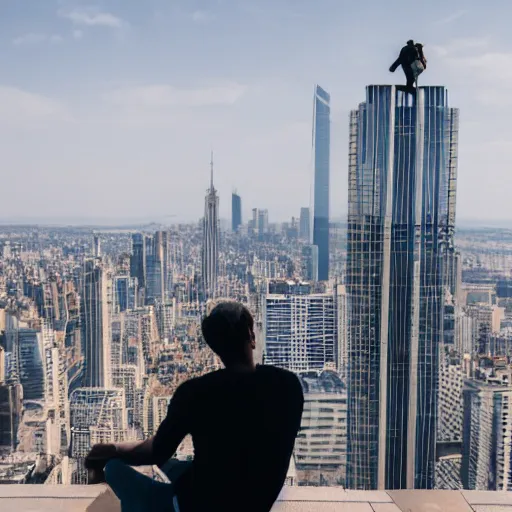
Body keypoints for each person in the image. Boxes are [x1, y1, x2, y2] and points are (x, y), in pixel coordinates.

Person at [85, 301, 304, 512]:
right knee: (177, 465)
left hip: (191, 505)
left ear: (214, 347)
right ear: (251, 337)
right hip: (255, 504)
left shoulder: (196, 393)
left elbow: (155, 452)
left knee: (113, 469)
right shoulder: (288, 386)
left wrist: (113, 449)